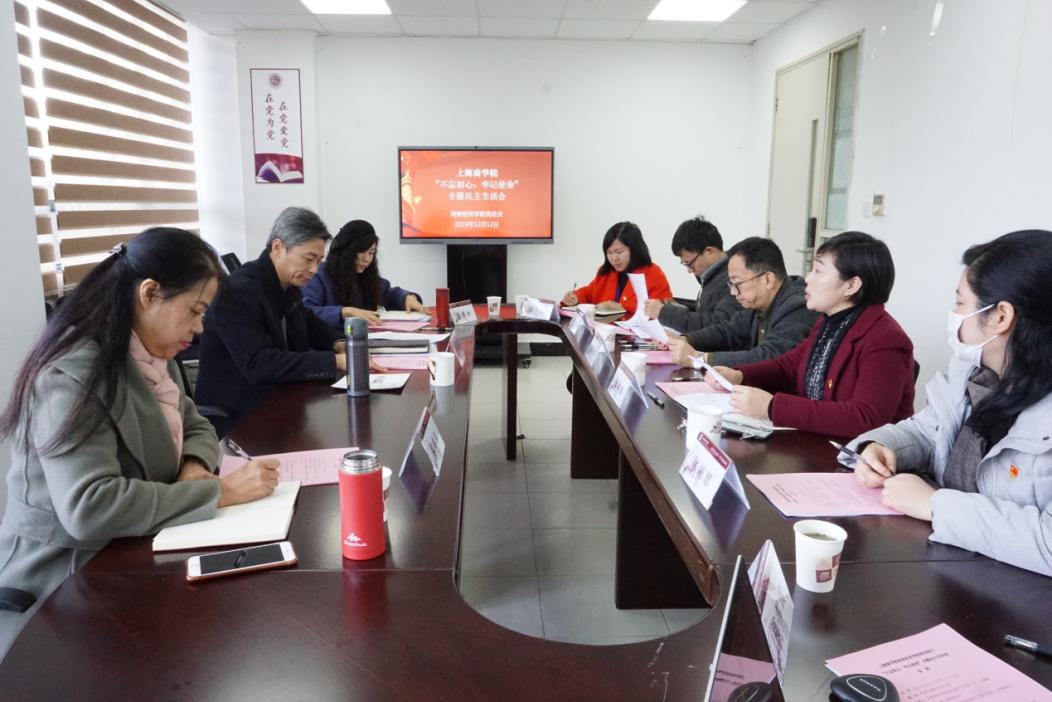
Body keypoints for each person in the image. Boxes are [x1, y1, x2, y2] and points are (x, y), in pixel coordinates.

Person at [0, 229, 278, 659]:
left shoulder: (149, 356)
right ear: (149, 294)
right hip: (64, 583)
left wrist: (192, 466)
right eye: (194, 311)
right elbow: (89, 507)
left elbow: (198, 424)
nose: (200, 327)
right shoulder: (72, 373)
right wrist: (219, 492)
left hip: (136, 548)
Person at [848, 230, 1052, 577]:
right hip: (951, 567)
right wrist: (877, 446)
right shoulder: (972, 372)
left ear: (1001, 316)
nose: (953, 314)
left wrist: (935, 505)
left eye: (960, 304)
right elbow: (928, 430)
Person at [705, 232, 914, 437]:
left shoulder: (885, 339)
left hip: (857, 455)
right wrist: (740, 375)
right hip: (815, 443)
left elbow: (865, 418)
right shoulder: (828, 322)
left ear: (852, 285)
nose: (808, 279)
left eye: (818, 271)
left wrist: (771, 407)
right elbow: (788, 367)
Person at [197, 207, 384, 435]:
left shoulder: (286, 284)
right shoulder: (238, 291)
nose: (314, 269)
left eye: (319, 261)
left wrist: (340, 343)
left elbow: (310, 324)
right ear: (278, 247)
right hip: (242, 416)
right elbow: (260, 363)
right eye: (308, 259)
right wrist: (335, 361)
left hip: (282, 401)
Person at [668, 237, 818, 368]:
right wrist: (686, 339)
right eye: (731, 284)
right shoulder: (758, 304)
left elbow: (770, 356)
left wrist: (700, 359)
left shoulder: (799, 307)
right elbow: (727, 332)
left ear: (767, 280)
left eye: (737, 283)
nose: (733, 292)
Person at [303, 219, 428, 330]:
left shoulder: (365, 276)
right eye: (361, 251)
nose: (366, 259)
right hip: (331, 345)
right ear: (345, 251)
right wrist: (345, 312)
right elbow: (306, 313)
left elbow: (390, 294)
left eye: (371, 253)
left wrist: (407, 298)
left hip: (363, 341)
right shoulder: (318, 275)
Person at [643, 216, 741, 332]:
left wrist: (664, 313)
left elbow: (717, 326)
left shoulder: (734, 280)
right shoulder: (712, 276)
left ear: (709, 251)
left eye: (689, 263)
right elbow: (706, 311)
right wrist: (676, 307)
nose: (689, 270)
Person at [561, 221, 673, 317]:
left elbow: (663, 312)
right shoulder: (606, 272)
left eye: (619, 252)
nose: (614, 258)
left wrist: (621, 307)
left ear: (634, 249)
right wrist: (575, 298)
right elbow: (589, 293)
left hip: (637, 335)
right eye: (609, 253)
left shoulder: (653, 274)